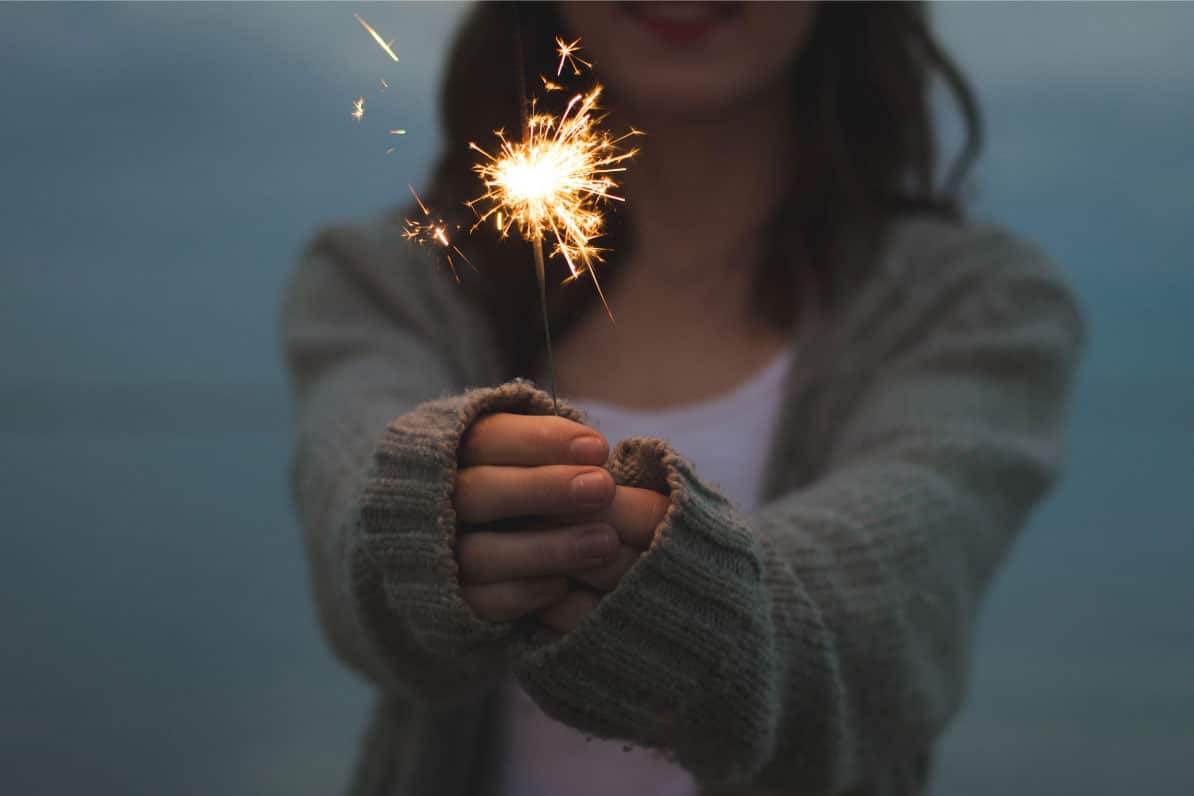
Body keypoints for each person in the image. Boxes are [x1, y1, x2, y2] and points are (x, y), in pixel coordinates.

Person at [282, 3, 1084, 795]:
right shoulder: (392, 281)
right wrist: (426, 513)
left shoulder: (975, 306)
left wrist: (685, 595)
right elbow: (353, 505)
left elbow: (892, 612)